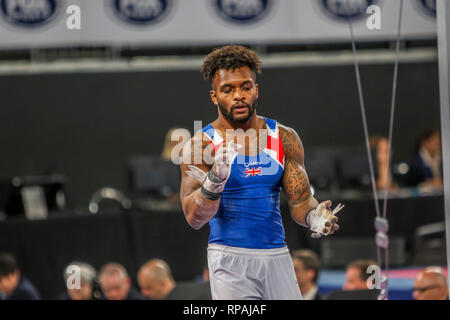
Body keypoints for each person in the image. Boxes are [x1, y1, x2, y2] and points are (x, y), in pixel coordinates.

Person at [179, 45, 342, 300]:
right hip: (230, 259)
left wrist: (314, 217)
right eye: (228, 89)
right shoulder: (200, 146)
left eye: (245, 86)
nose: (238, 96)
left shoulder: (285, 138)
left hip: (276, 254)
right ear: (214, 96)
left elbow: (299, 200)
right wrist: (214, 182)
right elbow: (194, 217)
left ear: (256, 89)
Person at [138, 259, 211, 300]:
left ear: (163, 283)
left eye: (148, 288)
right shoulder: (202, 289)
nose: (144, 293)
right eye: (142, 288)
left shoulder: (201, 295)